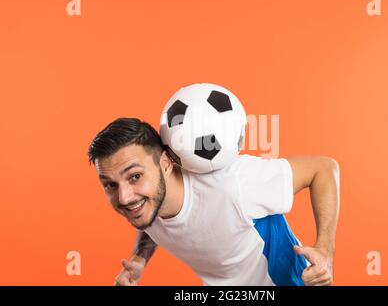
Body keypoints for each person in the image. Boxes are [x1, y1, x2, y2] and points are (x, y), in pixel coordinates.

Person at [88, 118, 340, 286]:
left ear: (165, 163)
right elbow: (152, 224)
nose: (124, 197)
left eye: (135, 176)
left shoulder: (232, 184)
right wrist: (140, 258)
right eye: (110, 184)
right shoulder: (147, 203)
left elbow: (324, 169)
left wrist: (325, 251)